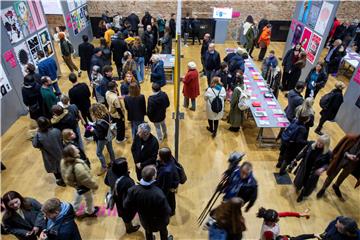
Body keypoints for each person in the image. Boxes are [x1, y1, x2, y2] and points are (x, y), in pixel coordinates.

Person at [123, 166, 173, 240]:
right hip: (159, 221)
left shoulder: (132, 190)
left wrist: (138, 208)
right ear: (153, 177)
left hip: (145, 220)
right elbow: (167, 210)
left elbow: (126, 205)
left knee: (148, 232)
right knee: (163, 232)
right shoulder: (159, 194)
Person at [61, 144, 99, 218]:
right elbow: (87, 180)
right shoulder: (78, 167)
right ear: (72, 153)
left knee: (78, 194)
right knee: (89, 198)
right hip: (82, 185)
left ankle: (74, 209)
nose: (77, 148)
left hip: (75, 184)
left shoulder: (63, 161)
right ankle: (90, 211)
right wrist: (94, 186)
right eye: (75, 148)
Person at [317, 134, 360, 199]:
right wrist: (348, 155)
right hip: (341, 160)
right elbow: (341, 149)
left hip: (352, 165)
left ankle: (336, 186)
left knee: (343, 176)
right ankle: (323, 188)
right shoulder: (351, 138)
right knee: (332, 174)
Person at [104, 158, 140, 233]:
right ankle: (129, 229)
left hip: (117, 197)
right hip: (125, 201)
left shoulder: (110, 171)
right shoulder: (127, 182)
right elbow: (131, 196)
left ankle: (128, 225)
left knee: (123, 214)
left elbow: (106, 181)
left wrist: (114, 187)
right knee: (127, 216)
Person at [292, 134, 332, 202]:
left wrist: (322, 169)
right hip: (304, 168)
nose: (319, 144)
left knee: (307, 185)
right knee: (300, 181)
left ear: (326, 145)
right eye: (319, 141)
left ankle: (302, 195)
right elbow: (304, 153)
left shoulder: (328, 153)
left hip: (313, 172)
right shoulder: (311, 144)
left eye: (322, 143)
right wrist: (296, 159)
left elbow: (328, 164)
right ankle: (298, 188)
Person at [32, 117, 65, 186]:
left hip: (49, 155)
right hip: (60, 152)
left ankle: (60, 181)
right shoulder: (56, 130)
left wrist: (36, 132)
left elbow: (35, 144)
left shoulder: (39, 135)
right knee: (62, 165)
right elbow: (61, 138)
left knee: (54, 168)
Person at [89, 103, 116, 176]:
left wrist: (92, 130)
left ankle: (104, 167)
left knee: (98, 152)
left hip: (102, 139)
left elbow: (99, 135)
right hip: (109, 135)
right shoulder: (108, 115)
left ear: (95, 113)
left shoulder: (99, 123)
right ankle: (113, 161)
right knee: (110, 148)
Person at [156, 148, 179, 216]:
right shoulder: (170, 159)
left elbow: (165, 186)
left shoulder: (166, 171)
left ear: (162, 157)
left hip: (168, 188)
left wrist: (162, 196)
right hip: (171, 183)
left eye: (158, 155)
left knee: (170, 199)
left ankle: (171, 212)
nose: (157, 156)